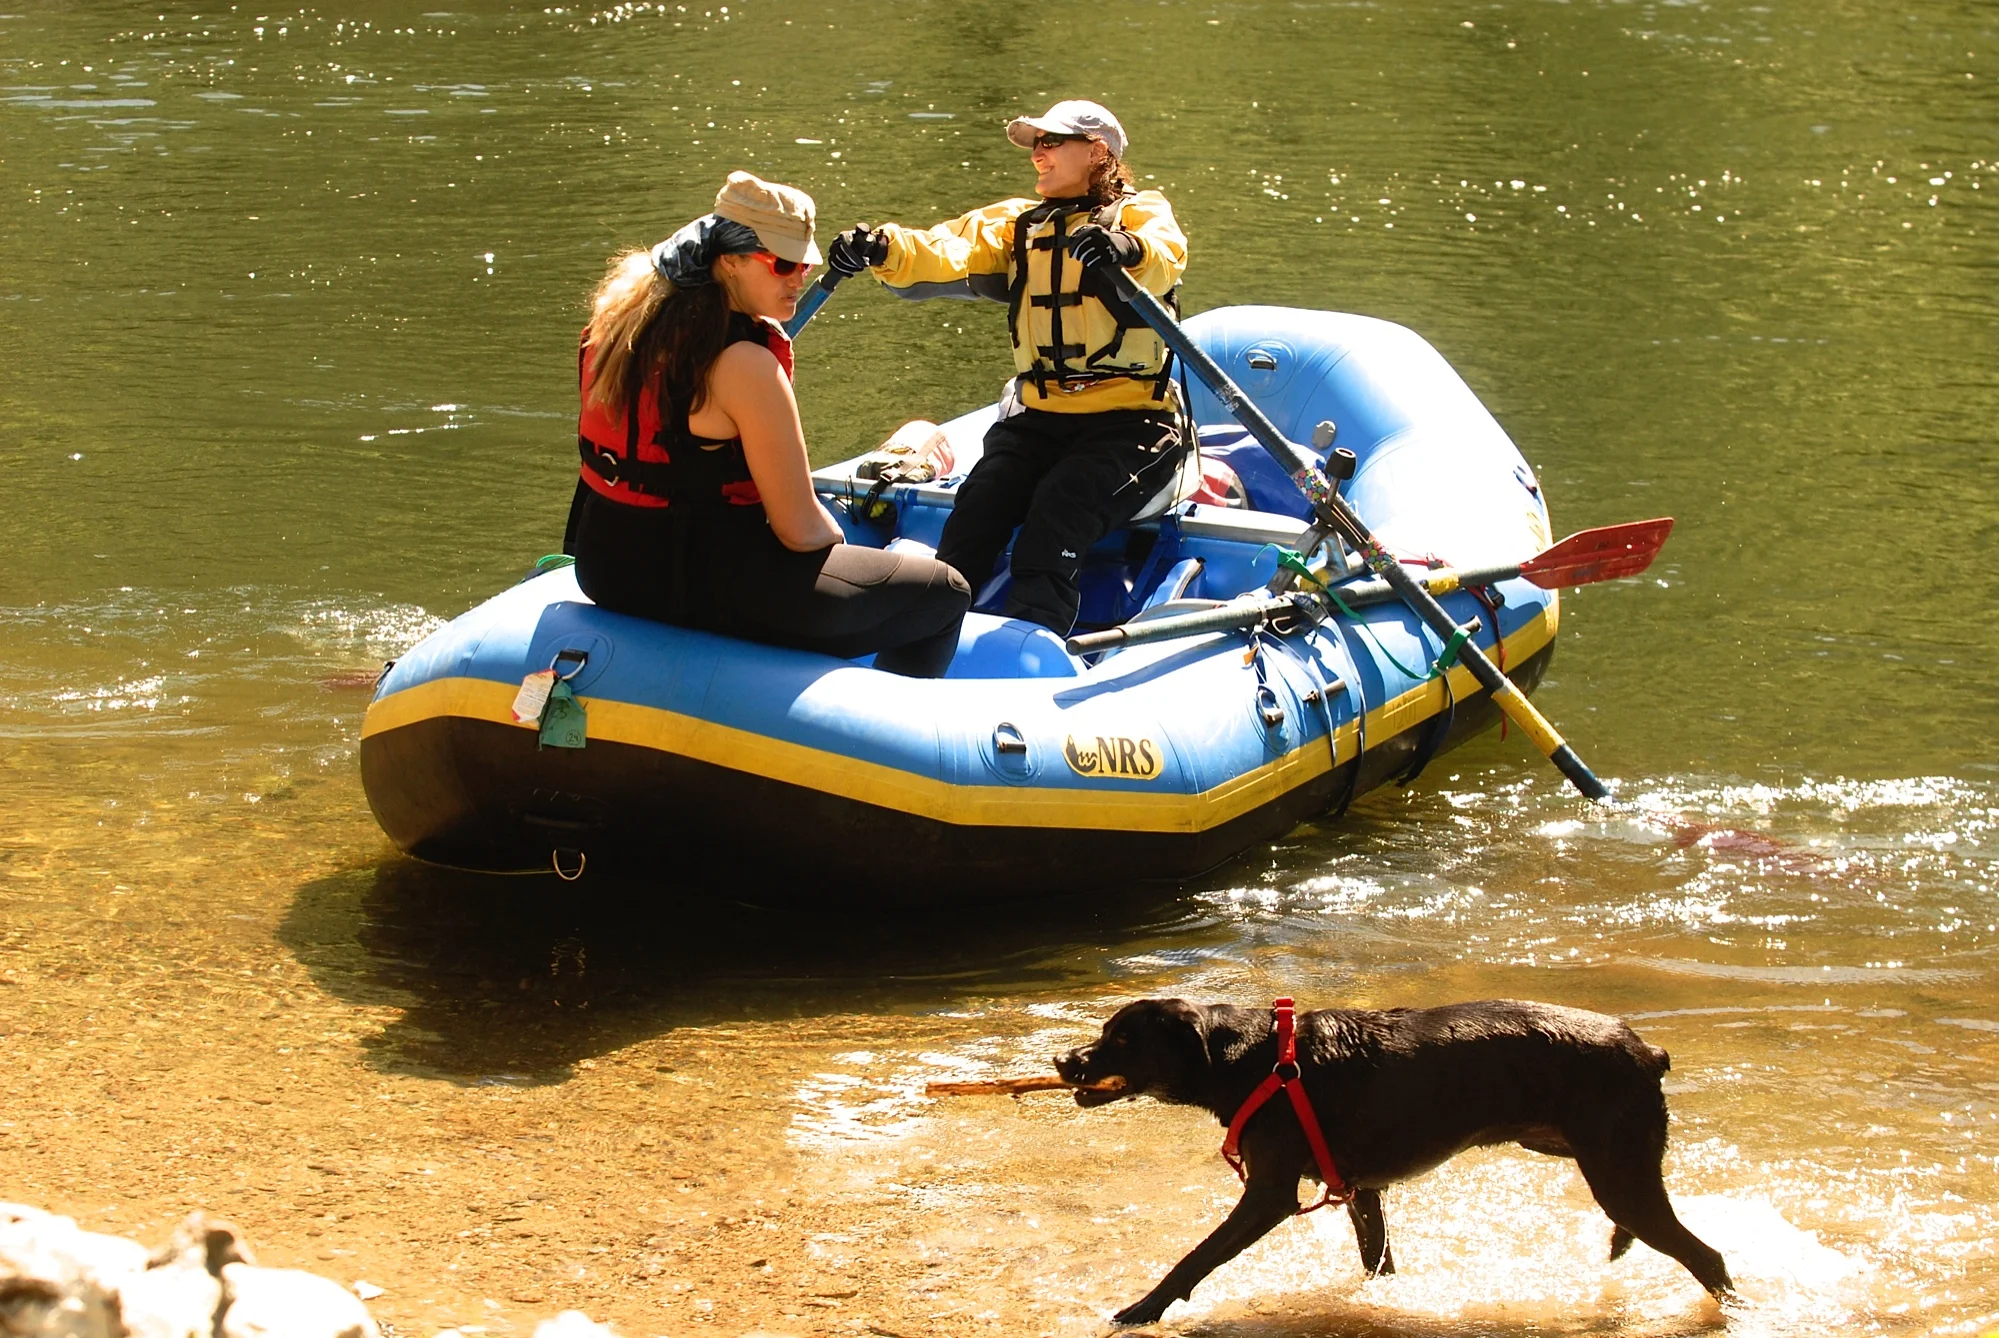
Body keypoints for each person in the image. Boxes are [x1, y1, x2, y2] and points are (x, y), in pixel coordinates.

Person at [563, 171, 970, 677]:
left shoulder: (617, 324)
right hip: (702, 583)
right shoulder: (747, 365)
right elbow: (801, 531)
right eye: (782, 264)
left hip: (606, 568)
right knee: (943, 592)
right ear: (728, 260)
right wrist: (851, 557)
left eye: (805, 264)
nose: (798, 277)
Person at [826, 100, 1188, 636]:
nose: (1038, 154)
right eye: (1035, 144)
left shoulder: (1139, 214)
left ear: (1097, 152)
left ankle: (1030, 654)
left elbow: (1165, 255)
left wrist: (1125, 248)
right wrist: (883, 247)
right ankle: (926, 637)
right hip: (1039, 420)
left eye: (1051, 142)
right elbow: (947, 247)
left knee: (1057, 515)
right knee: (974, 515)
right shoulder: (1018, 225)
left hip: (1130, 424)